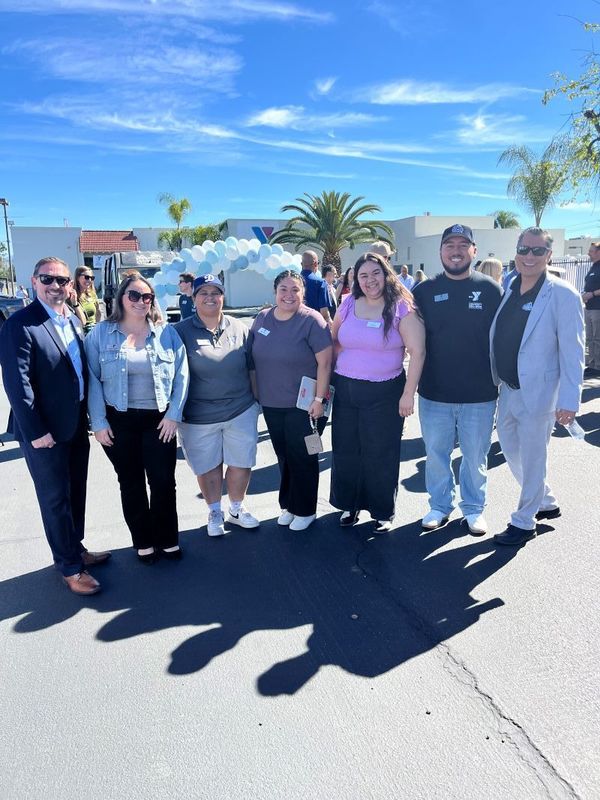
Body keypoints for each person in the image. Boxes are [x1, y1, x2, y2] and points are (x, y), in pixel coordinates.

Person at [0, 257, 109, 596]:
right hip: (43, 432)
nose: (56, 286)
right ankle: (70, 568)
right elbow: (18, 386)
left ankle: (75, 548)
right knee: (55, 499)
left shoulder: (71, 320)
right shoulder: (20, 324)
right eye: (48, 279)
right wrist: (35, 432)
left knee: (76, 491)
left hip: (75, 424)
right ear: (34, 282)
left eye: (63, 281)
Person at [85, 271, 189, 563]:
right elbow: (92, 379)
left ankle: (167, 538)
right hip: (118, 421)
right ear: (121, 298)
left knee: (163, 481)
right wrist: (99, 422)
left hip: (159, 421)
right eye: (134, 295)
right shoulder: (101, 334)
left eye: (147, 297)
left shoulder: (166, 332)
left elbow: (182, 375)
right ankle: (143, 541)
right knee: (130, 482)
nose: (141, 302)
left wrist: (174, 415)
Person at [490, 228, 585, 546]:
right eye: (523, 249)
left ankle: (524, 520)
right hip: (508, 388)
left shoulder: (562, 294)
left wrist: (570, 399)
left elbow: (573, 351)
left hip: (540, 392)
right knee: (510, 448)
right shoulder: (509, 285)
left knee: (533, 456)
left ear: (548, 255)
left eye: (536, 251)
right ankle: (545, 500)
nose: (528, 256)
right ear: (516, 252)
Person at [413, 224, 502, 536]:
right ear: (440, 252)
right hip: (434, 393)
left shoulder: (491, 289)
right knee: (436, 456)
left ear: (473, 251)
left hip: (480, 395)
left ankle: (474, 508)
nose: (456, 250)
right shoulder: (422, 292)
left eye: (463, 245)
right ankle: (439, 505)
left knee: (475, 457)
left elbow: (504, 340)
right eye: (449, 245)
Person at [330, 252, 425, 532]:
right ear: (355, 279)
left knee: (380, 452)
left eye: (375, 273)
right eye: (363, 275)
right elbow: (335, 340)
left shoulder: (401, 307)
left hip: (385, 392)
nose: (370, 280)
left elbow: (417, 353)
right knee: (347, 450)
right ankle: (350, 505)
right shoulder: (348, 303)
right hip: (346, 389)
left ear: (386, 274)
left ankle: (382, 511)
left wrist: (408, 395)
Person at [175, 275, 260, 538]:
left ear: (223, 296)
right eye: (204, 293)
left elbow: (252, 369)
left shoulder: (241, 328)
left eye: (216, 292)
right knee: (208, 466)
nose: (210, 297)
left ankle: (236, 508)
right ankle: (214, 510)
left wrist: (257, 402)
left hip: (240, 409)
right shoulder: (178, 332)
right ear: (194, 298)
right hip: (198, 415)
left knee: (241, 463)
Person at [250, 270, 333, 531]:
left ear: (303, 293)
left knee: (305, 456)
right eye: (283, 289)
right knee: (284, 455)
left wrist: (319, 399)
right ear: (275, 292)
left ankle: (306, 509)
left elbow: (325, 362)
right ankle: (289, 504)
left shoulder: (312, 320)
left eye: (295, 290)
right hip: (273, 404)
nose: (289, 295)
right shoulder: (263, 318)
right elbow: (251, 358)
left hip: (306, 406)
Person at [581, 241, 600, 377]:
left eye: (591, 251)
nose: (589, 253)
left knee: (597, 338)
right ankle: (592, 364)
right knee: (589, 338)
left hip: (597, 308)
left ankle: (598, 366)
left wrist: (592, 294)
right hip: (589, 307)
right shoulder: (593, 267)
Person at [301, 250, 332, 325]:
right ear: (315, 264)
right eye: (318, 263)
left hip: (295, 327)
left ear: (301, 264)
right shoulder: (320, 282)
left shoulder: (292, 281)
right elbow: (324, 313)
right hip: (314, 327)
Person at [71, 266, 101, 335]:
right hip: (80, 333)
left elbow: (98, 312)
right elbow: (82, 322)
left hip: (94, 333)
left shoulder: (92, 294)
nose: (90, 280)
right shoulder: (72, 296)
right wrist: (75, 303)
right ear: (78, 278)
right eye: (87, 277)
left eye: (92, 278)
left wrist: (97, 326)